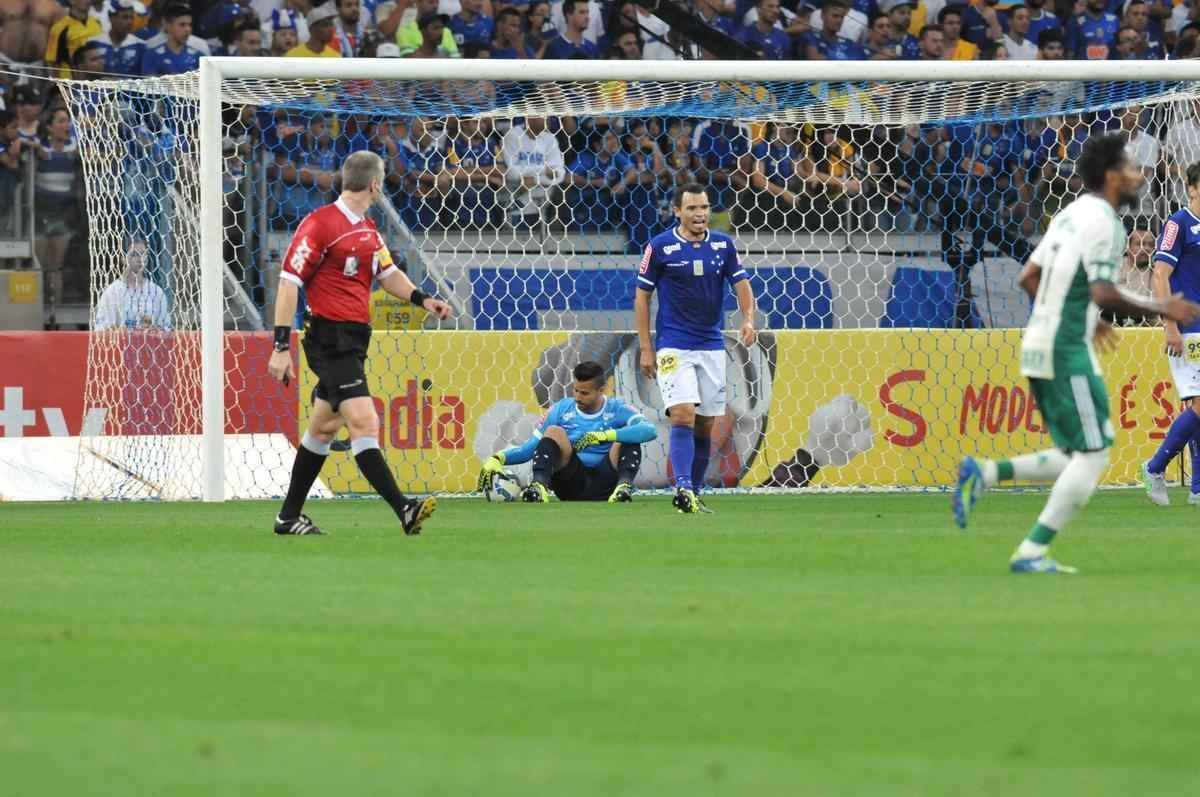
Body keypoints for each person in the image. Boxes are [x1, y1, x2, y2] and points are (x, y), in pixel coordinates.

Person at [953, 133, 1200, 574]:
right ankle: (1031, 549)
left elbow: (1030, 276)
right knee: (1094, 455)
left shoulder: (1070, 214)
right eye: (1129, 168)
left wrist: (1087, 315)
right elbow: (1104, 289)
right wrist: (1162, 307)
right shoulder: (1106, 223)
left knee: (1078, 453)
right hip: (1065, 347)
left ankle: (985, 474)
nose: (1138, 175)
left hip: (1041, 343)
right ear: (1110, 176)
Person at [266, 150, 453, 536]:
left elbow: (388, 275)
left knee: (323, 428)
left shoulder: (369, 231)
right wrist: (281, 347)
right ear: (375, 185)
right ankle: (404, 508)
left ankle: (287, 517)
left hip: (353, 340)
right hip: (328, 337)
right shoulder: (319, 224)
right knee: (364, 421)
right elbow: (288, 283)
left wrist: (423, 299)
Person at [634, 182, 757, 514]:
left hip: (711, 345)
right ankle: (683, 487)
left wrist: (748, 319)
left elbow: (742, 284)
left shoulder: (723, 245)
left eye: (703, 207)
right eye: (691, 208)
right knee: (684, 414)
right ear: (677, 211)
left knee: (705, 422)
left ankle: (694, 490)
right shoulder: (659, 247)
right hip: (674, 345)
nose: (700, 214)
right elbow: (642, 297)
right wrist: (647, 348)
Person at [477, 360, 657, 503]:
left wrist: (606, 435)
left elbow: (649, 430)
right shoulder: (561, 409)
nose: (578, 397)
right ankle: (538, 487)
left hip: (606, 484)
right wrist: (497, 458)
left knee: (629, 435)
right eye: (575, 390)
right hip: (570, 484)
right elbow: (529, 449)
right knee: (554, 431)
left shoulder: (617, 408)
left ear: (601, 391)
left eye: (584, 393)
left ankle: (624, 487)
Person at [1143, 164, 1200, 507]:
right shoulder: (1179, 223)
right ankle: (1154, 467)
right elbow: (1160, 274)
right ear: (1192, 188)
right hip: (1188, 327)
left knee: (1197, 404)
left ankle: (1197, 488)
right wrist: (1169, 325)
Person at [94, 238, 171, 330]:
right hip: (122, 343)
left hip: (150, 344)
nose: (140, 259)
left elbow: (166, 327)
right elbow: (101, 328)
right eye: (134, 255)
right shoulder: (112, 292)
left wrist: (156, 330)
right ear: (123, 258)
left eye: (143, 254)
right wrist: (120, 331)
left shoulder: (156, 292)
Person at [45, 0, 102, 78]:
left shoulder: (97, 23)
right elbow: (52, 62)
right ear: (72, 1)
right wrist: (58, 85)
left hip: (96, 81)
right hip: (71, 81)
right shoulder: (59, 29)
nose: (88, 1)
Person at [139, 5, 203, 75]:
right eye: (182, 25)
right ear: (167, 25)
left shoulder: (198, 56)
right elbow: (149, 84)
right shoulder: (152, 56)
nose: (188, 29)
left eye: (190, 25)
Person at [89, 0, 145, 76]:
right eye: (124, 17)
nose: (129, 22)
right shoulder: (93, 43)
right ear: (111, 17)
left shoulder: (141, 46)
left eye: (131, 17)